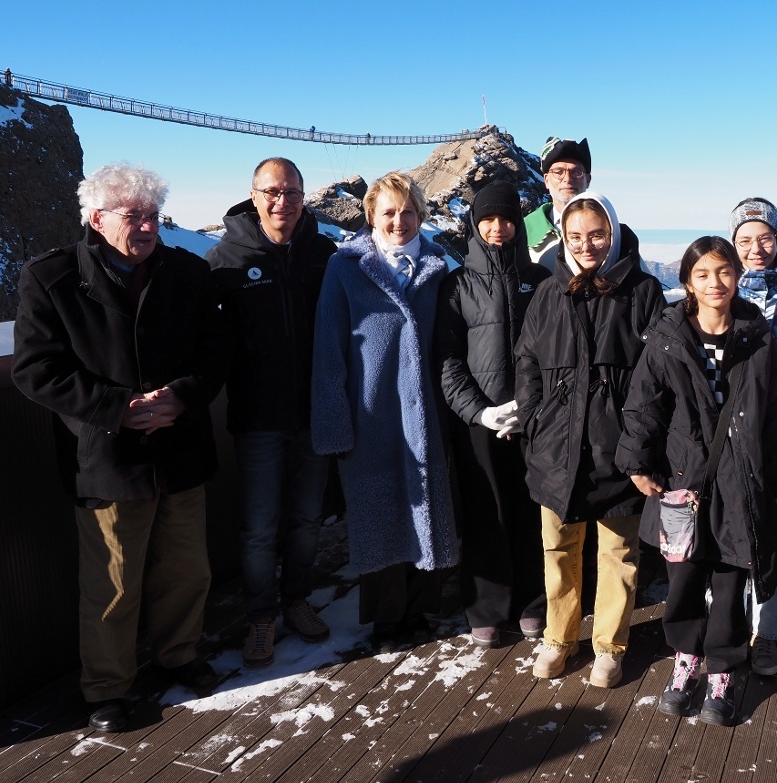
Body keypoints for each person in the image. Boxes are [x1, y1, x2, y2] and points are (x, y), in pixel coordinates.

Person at [11, 163, 226, 732]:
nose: (149, 227)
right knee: (112, 580)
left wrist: (180, 398)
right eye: (135, 216)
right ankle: (107, 687)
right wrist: (117, 408)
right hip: (107, 457)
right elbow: (34, 369)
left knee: (187, 567)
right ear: (97, 218)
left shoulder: (187, 272)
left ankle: (179, 653)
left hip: (179, 447)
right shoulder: (51, 277)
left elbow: (215, 354)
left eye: (155, 215)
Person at [617, 236, 777, 726]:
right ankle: (686, 659)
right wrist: (636, 463)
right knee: (684, 576)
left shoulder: (757, 335)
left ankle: (725, 669)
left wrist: (773, 475)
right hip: (679, 476)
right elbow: (643, 403)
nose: (716, 283)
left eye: (725, 272)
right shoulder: (669, 335)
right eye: (703, 274)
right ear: (688, 281)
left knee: (732, 578)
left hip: (740, 479)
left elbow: (772, 412)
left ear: (738, 274)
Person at [515, 192, 664, 688]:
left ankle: (609, 644)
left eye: (597, 234)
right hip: (556, 445)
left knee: (618, 552)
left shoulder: (642, 291)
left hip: (618, 445)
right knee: (558, 547)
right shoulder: (548, 291)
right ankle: (559, 637)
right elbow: (528, 362)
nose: (587, 245)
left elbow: (654, 374)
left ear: (614, 232)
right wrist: (535, 421)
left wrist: (639, 439)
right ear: (562, 236)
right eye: (575, 236)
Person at [311, 172, 458, 653]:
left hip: (428, 417)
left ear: (421, 215)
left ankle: (422, 606)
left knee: (426, 510)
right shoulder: (346, 267)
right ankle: (387, 617)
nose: (399, 221)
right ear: (371, 214)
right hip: (371, 414)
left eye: (409, 211)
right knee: (380, 515)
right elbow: (328, 349)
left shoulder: (438, 268)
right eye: (389, 212)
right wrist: (335, 425)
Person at [207, 157, 337, 668]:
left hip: (314, 415)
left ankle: (297, 600)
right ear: (254, 194)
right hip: (257, 418)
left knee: (305, 520)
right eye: (272, 191)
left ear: (305, 198)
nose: (282, 201)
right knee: (260, 527)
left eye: (293, 192)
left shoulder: (324, 255)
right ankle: (262, 617)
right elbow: (201, 338)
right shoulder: (226, 260)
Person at [435, 180, 551, 647]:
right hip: (480, 423)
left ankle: (532, 601)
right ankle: (486, 606)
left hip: (534, 420)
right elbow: (447, 361)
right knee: (487, 511)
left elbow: (555, 354)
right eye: (488, 219)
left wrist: (535, 407)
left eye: (506, 218)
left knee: (530, 509)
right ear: (474, 225)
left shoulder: (540, 282)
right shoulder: (456, 285)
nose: (498, 227)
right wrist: (479, 413)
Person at [728, 197, 777, 677]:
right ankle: (729, 627)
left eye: (766, 238)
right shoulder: (720, 288)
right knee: (727, 533)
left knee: (776, 533)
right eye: (745, 240)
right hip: (731, 433)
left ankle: (768, 633)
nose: (756, 249)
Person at [524, 137, 591, 267]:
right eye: (558, 172)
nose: (567, 179)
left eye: (576, 172)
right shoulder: (525, 230)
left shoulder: (607, 228)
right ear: (546, 180)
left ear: (588, 180)